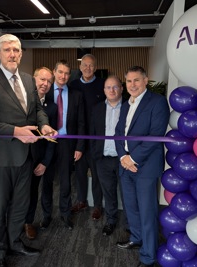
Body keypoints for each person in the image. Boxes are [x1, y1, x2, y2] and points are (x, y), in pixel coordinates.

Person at [0, 34, 57, 267]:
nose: (12, 54)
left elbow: (39, 110)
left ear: (21, 53)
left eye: (16, 50)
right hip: (0, 157)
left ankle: (14, 243)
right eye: (8, 49)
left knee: (20, 207)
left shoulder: (30, 80)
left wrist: (44, 124)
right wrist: (14, 131)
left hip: (26, 157)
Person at [114, 66, 169, 267]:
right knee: (131, 207)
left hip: (145, 166)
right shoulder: (127, 104)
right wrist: (123, 157)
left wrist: (133, 159)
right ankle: (136, 239)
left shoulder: (158, 102)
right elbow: (118, 132)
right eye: (129, 81)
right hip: (125, 164)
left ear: (146, 80)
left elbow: (155, 135)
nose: (132, 85)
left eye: (136, 80)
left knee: (147, 211)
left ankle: (148, 255)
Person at [40, 60, 85, 231]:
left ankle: (65, 215)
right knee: (47, 181)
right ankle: (46, 216)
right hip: (47, 142)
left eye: (66, 73)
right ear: (54, 72)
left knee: (66, 181)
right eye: (60, 72)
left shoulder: (76, 95)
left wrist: (79, 147)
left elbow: (81, 123)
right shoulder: (45, 93)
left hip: (68, 142)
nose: (63, 76)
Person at [69, 54, 106, 220]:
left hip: (97, 138)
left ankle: (98, 204)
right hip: (78, 138)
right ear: (80, 66)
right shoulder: (73, 85)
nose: (87, 68)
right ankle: (81, 200)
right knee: (79, 172)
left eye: (91, 65)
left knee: (97, 174)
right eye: (84, 65)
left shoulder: (102, 85)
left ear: (96, 67)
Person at [24, 67, 57, 240]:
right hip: (19, 158)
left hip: (38, 159)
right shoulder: (22, 100)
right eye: (42, 79)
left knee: (32, 192)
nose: (45, 84)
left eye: (49, 81)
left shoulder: (52, 107)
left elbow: (52, 138)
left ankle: (28, 222)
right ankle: (14, 223)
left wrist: (45, 162)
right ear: (33, 79)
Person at [90, 75, 124, 236]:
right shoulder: (97, 108)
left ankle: (132, 225)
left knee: (127, 193)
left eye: (115, 87)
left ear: (121, 89)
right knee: (109, 193)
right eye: (108, 87)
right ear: (104, 90)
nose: (111, 90)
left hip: (124, 160)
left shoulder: (128, 107)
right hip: (102, 159)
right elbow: (92, 133)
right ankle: (111, 221)